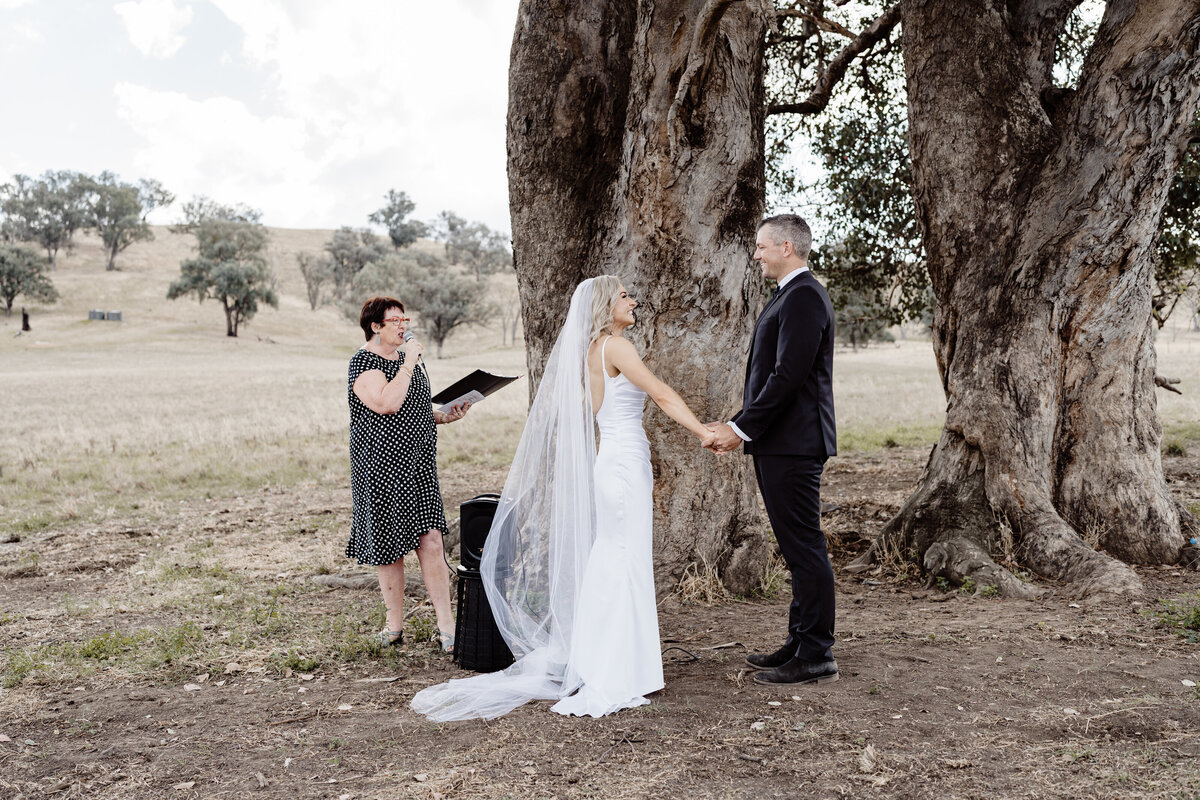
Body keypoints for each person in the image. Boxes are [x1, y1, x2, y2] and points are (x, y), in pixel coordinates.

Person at [411, 275, 714, 721]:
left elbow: (593, 412)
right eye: (625, 296)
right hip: (625, 466)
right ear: (606, 305)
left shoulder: (594, 351)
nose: (633, 301)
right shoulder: (616, 347)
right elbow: (662, 395)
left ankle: (616, 662)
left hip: (613, 461)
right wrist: (706, 432)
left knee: (615, 556)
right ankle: (617, 669)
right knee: (622, 557)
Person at [705, 214, 839, 686]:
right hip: (782, 442)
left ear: (786, 246)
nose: (756, 254)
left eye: (761, 246)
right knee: (796, 544)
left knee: (804, 546)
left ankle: (817, 653)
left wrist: (740, 428)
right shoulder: (791, 294)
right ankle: (799, 642)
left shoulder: (803, 296)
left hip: (794, 443)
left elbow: (788, 376)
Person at [347, 296, 470, 653]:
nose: (403, 326)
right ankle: (393, 626)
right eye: (395, 320)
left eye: (405, 319)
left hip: (417, 463)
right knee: (390, 548)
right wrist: (409, 362)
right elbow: (386, 403)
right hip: (381, 467)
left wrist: (443, 415)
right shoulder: (363, 363)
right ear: (376, 327)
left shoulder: (405, 360)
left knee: (431, 541)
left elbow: (414, 405)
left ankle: (447, 627)